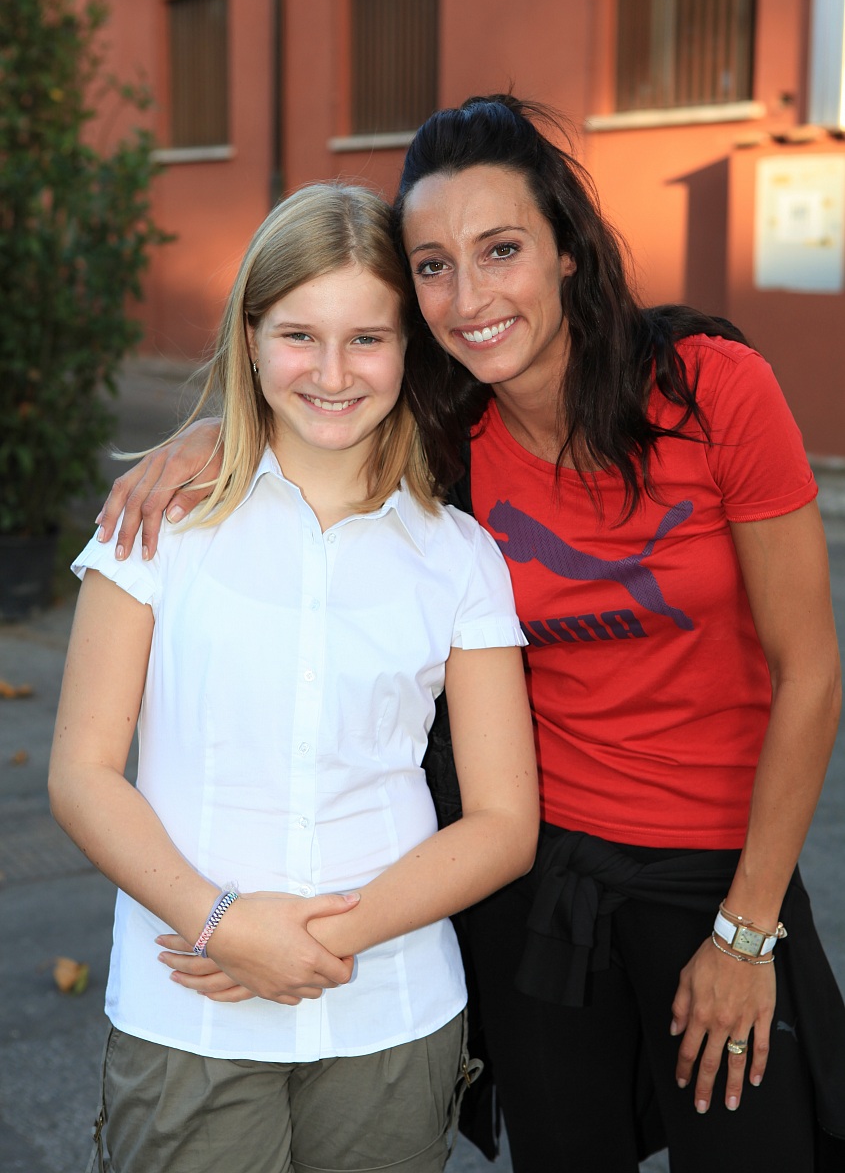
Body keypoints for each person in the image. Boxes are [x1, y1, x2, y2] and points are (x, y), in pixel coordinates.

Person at [95, 96, 845, 1172]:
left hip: (718, 872)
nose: (470, 296)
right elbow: (322, 392)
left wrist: (746, 929)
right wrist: (214, 431)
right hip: (538, 886)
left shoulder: (711, 390)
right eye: (433, 267)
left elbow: (808, 671)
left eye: (501, 251)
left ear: (566, 248)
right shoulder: (454, 429)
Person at [49, 181, 539, 1173]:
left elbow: (502, 823)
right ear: (250, 337)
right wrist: (220, 923)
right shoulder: (156, 527)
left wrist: (309, 940)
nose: (331, 372)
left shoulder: (458, 556)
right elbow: (83, 773)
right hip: (190, 1008)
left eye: (367, 338)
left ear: (407, 348)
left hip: (393, 1010)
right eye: (298, 336)